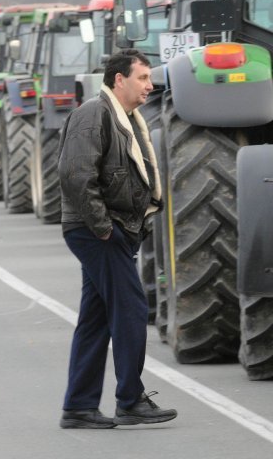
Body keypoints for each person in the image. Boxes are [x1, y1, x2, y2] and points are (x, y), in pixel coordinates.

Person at [57, 48, 174, 429]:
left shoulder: (124, 117)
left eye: (149, 78)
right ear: (118, 79)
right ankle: (129, 399)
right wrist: (104, 227)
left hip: (107, 230)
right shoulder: (95, 113)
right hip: (97, 232)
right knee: (131, 309)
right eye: (142, 77)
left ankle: (79, 407)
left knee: (96, 319)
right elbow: (75, 174)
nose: (149, 85)